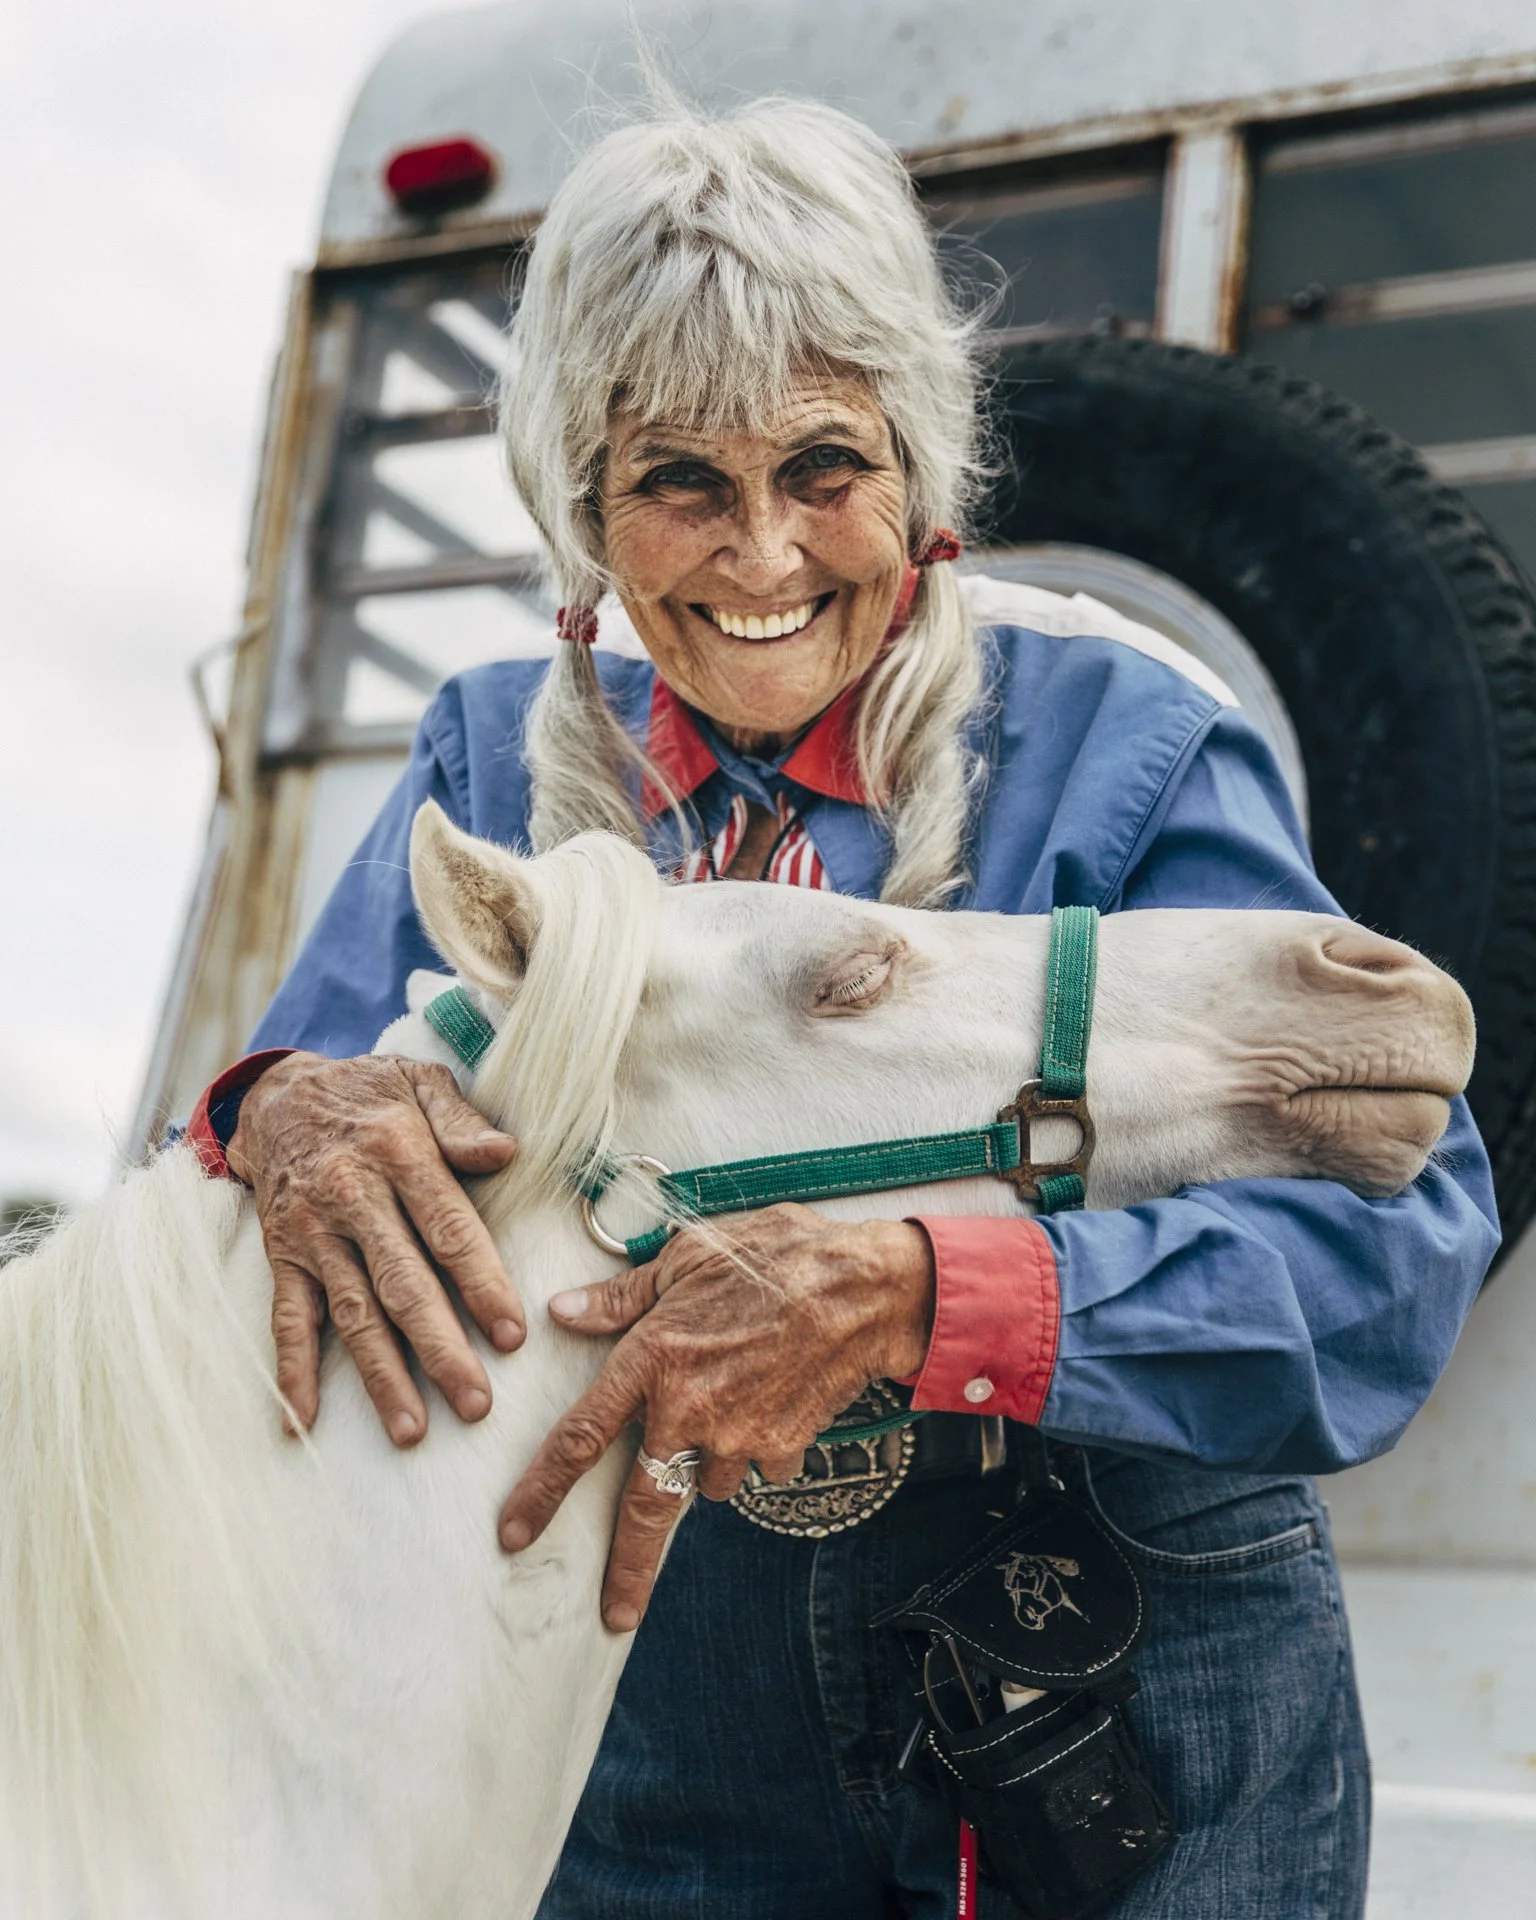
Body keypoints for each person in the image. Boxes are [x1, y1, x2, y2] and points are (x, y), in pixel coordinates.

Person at [189, 97, 1499, 1917]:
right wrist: (282, 1119)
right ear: (580, 509)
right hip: (656, 1695)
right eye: (678, 484)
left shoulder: (1127, 728)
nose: (761, 557)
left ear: (926, 471)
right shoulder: (487, 759)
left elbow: (1402, 1225)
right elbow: (279, 1105)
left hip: (1106, 1650)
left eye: (824, 466)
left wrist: (922, 1290)